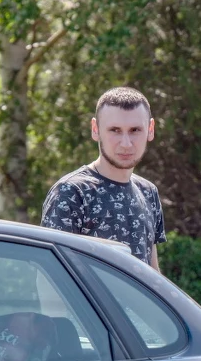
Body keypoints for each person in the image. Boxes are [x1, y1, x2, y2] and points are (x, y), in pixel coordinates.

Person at [41, 87, 166, 271]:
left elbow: (153, 275)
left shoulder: (148, 192)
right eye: (115, 130)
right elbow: (49, 274)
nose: (126, 143)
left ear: (150, 130)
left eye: (135, 130)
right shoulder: (71, 192)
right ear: (95, 129)